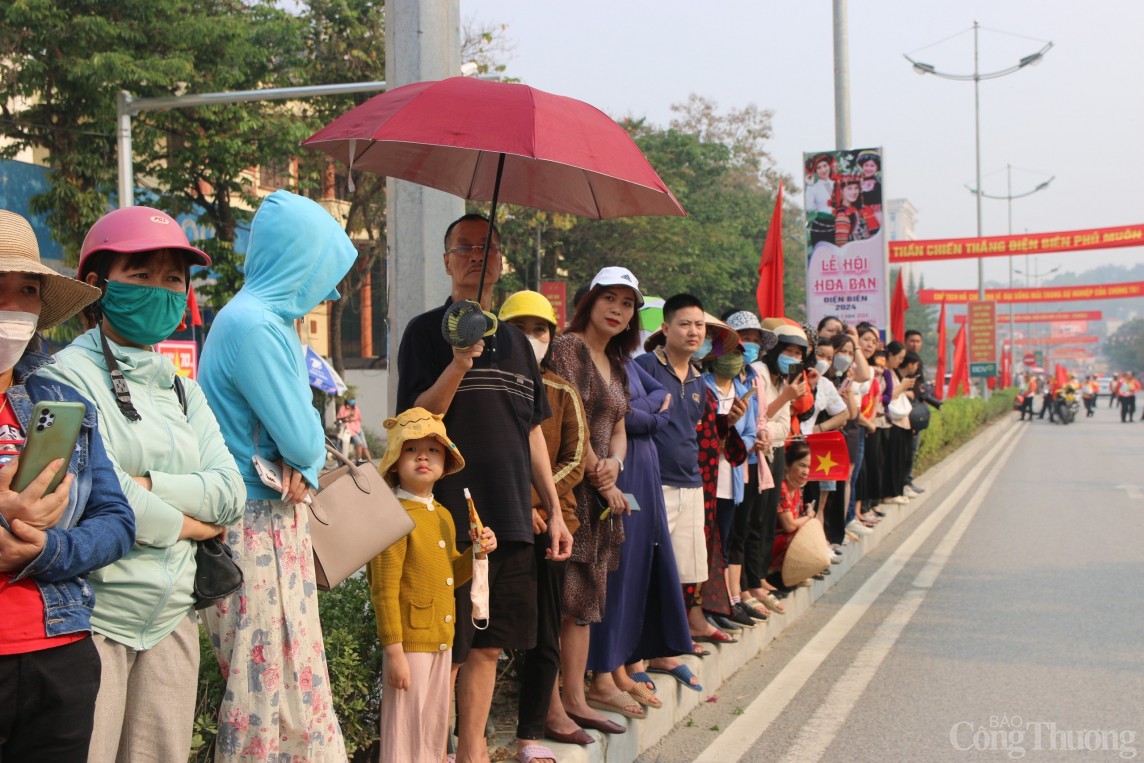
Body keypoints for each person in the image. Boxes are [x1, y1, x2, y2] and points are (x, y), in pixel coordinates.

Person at [38, 206, 245, 763]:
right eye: (141, 273)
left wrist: (147, 482)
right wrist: (195, 523)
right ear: (95, 286)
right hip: (92, 621)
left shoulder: (182, 390)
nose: (160, 289)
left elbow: (231, 493)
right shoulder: (60, 379)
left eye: (173, 278)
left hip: (172, 621)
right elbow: (93, 497)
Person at [395, 213, 572, 763]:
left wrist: (554, 509)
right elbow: (416, 417)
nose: (478, 255)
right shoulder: (425, 331)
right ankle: (430, 749)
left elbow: (533, 435)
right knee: (444, 648)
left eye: (488, 247)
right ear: (447, 260)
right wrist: (459, 361)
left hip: (511, 513)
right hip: (446, 512)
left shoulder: (519, 343)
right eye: (465, 246)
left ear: (501, 262)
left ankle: (471, 750)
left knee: (490, 643)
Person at [199, 190, 358, 761]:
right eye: (323, 272)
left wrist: (306, 460)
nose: (333, 290)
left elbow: (302, 444)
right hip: (255, 524)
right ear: (298, 262)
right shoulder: (257, 327)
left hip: (262, 522)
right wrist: (308, 458)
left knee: (284, 686)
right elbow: (302, 437)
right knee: (265, 692)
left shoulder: (259, 320)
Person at [0, 210, 135, 763]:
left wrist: (45, 548)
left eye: (26, 291)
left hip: (60, 655)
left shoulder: (57, 401)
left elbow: (116, 520)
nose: (11, 308)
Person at [367, 408, 496, 763]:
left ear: (444, 463)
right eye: (411, 449)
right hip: (409, 641)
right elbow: (383, 590)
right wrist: (394, 653)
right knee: (405, 727)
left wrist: (477, 554)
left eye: (433, 450)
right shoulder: (393, 516)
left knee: (434, 723)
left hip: (441, 637)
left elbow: (450, 570)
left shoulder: (441, 515)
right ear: (395, 461)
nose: (423, 456)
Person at [549, 268, 645, 726]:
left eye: (627, 304)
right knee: (560, 597)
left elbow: (620, 429)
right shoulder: (568, 349)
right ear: (589, 301)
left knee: (587, 597)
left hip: (603, 498)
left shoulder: (620, 366)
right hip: (569, 490)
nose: (617, 309)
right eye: (610, 298)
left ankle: (577, 697)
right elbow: (570, 419)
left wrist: (617, 466)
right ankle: (555, 706)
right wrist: (601, 476)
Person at [499, 290, 591, 754]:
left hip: (554, 523)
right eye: (520, 329)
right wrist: (520, 504)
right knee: (488, 635)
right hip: (502, 521)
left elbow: (575, 459)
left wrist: (538, 502)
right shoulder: (487, 384)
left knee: (545, 632)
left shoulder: (562, 390)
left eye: (540, 330)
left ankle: (531, 733)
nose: (531, 339)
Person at [634, 294, 729, 656]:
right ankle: (642, 653)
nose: (693, 331)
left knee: (681, 573)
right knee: (647, 571)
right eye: (685, 324)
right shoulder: (644, 367)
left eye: (699, 325)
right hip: (651, 483)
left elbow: (696, 434)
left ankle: (669, 646)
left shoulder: (701, 382)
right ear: (665, 328)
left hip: (690, 484)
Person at [749, 320, 810, 610]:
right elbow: (758, 418)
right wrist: (784, 400)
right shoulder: (759, 374)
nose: (794, 359)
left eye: (799, 355)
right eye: (789, 351)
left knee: (766, 519)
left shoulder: (784, 382)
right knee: (753, 520)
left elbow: (782, 426)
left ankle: (759, 577)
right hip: (756, 453)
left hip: (775, 452)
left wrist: (771, 428)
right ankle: (750, 582)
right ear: (774, 350)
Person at [700, 343, 757, 629]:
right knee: (702, 545)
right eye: (728, 352)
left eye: (739, 353)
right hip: (703, 478)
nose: (734, 359)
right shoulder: (702, 385)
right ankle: (701, 609)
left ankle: (717, 605)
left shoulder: (745, 392)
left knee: (721, 545)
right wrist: (715, 440)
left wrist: (730, 443)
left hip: (730, 481)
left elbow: (750, 433)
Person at [765, 439, 818, 589]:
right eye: (801, 465)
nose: (806, 471)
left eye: (808, 467)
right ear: (788, 465)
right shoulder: (782, 488)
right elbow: (789, 525)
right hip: (773, 543)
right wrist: (809, 517)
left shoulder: (796, 488)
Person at [335, 397, 372, 463]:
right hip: (350, 430)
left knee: (365, 446)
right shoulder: (343, 408)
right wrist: (348, 417)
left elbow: (358, 418)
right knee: (360, 444)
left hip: (358, 429)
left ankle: (371, 462)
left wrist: (351, 419)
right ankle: (358, 460)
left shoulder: (355, 408)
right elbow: (339, 418)